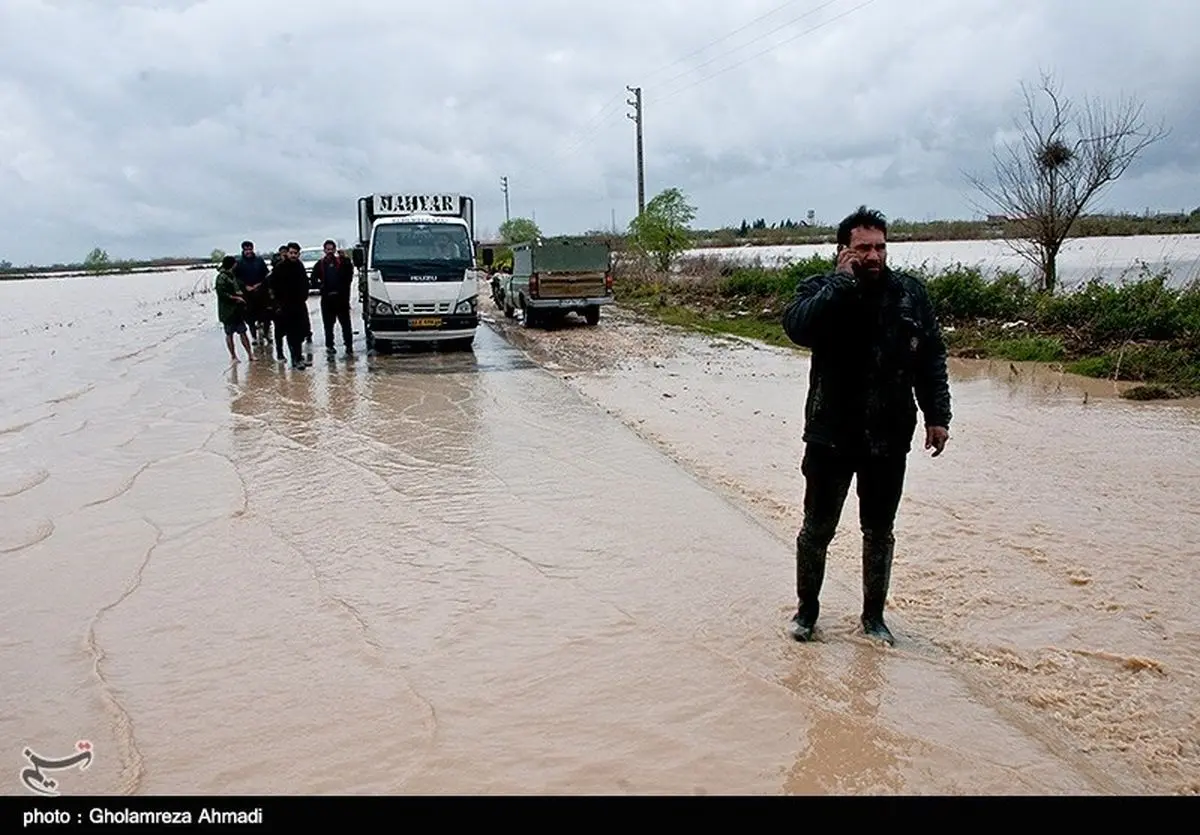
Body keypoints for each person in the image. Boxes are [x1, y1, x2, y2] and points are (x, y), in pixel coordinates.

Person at [780, 206, 952, 646]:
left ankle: (873, 619)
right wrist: (840, 283)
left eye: (879, 247)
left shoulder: (909, 295)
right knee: (817, 529)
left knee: (879, 531)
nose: (873, 256)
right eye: (863, 248)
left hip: (889, 438)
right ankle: (806, 614)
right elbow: (796, 328)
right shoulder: (822, 290)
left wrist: (937, 416)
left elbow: (930, 357)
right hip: (830, 436)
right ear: (844, 251)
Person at [269, 242, 313, 369]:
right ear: (287, 253)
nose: (293, 255)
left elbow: (305, 283)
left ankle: (298, 357)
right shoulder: (280, 267)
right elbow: (272, 287)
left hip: (299, 304)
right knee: (290, 334)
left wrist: (304, 295)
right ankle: (295, 359)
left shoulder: (299, 266)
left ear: (299, 254)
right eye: (291, 253)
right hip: (284, 306)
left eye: (295, 253)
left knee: (302, 332)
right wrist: (276, 305)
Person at [312, 238, 354, 354]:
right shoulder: (320, 264)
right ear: (324, 250)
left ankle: (349, 346)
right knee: (328, 326)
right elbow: (313, 279)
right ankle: (330, 346)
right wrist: (321, 287)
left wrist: (346, 259)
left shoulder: (341, 262)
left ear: (335, 250)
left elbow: (349, 274)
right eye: (327, 249)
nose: (330, 251)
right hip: (327, 300)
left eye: (332, 249)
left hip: (341, 300)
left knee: (346, 324)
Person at [214, 255, 253, 363]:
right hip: (227, 312)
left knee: (243, 332)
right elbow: (221, 294)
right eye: (235, 263)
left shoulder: (232, 276)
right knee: (229, 334)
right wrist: (236, 298)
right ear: (232, 264)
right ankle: (233, 356)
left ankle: (250, 355)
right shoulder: (221, 277)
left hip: (237, 310)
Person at [233, 240, 271, 344]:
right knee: (250, 318)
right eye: (246, 250)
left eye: (250, 249)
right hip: (248, 294)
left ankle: (266, 334)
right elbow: (236, 278)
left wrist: (260, 284)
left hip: (261, 292)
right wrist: (245, 286)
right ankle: (254, 336)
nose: (248, 251)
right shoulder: (239, 263)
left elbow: (266, 274)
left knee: (266, 316)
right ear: (243, 250)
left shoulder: (259, 260)